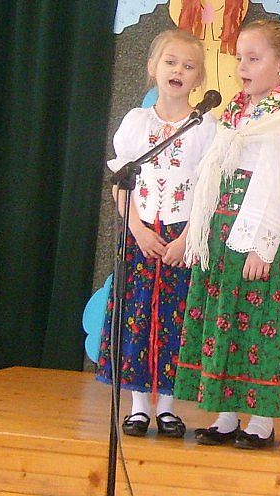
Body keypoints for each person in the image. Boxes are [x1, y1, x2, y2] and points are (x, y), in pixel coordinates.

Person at [174, 19, 280, 450]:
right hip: (222, 233)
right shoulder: (235, 114)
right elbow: (213, 173)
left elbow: (279, 186)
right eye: (240, 59)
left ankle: (262, 421)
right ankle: (226, 413)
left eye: (254, 59)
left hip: (253, 240)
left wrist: (263, 246)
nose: (243, 68)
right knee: (224, 319)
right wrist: (201, 232)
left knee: (258, 325)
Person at [96, 29, 217, 438]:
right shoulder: (137, 123)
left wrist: (187, 240)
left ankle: (167, 406)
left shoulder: (206, 128)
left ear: (199, 78)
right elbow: (121, 182)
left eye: (189, 65)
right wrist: (137, 230)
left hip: (182, 235)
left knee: (174, 318)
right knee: (136, 314)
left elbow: (209, 191)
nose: (178, 70)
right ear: (152, 68)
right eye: (170, 61)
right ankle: (138, 406)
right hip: (141, 234)